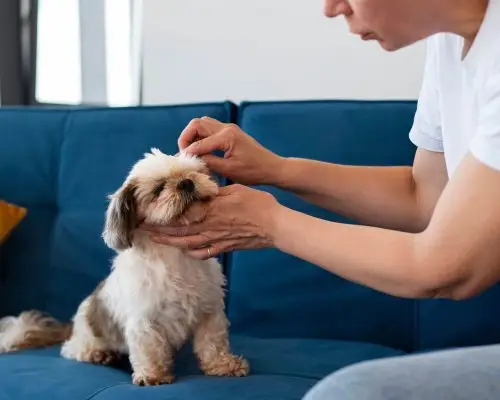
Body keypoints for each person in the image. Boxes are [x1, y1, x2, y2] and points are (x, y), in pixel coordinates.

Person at [141, 0, 500, 398]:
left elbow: (447, 269)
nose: (330, 8)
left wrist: (271, 223)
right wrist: (276, 170)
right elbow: (424, 198)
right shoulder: (448, 45)